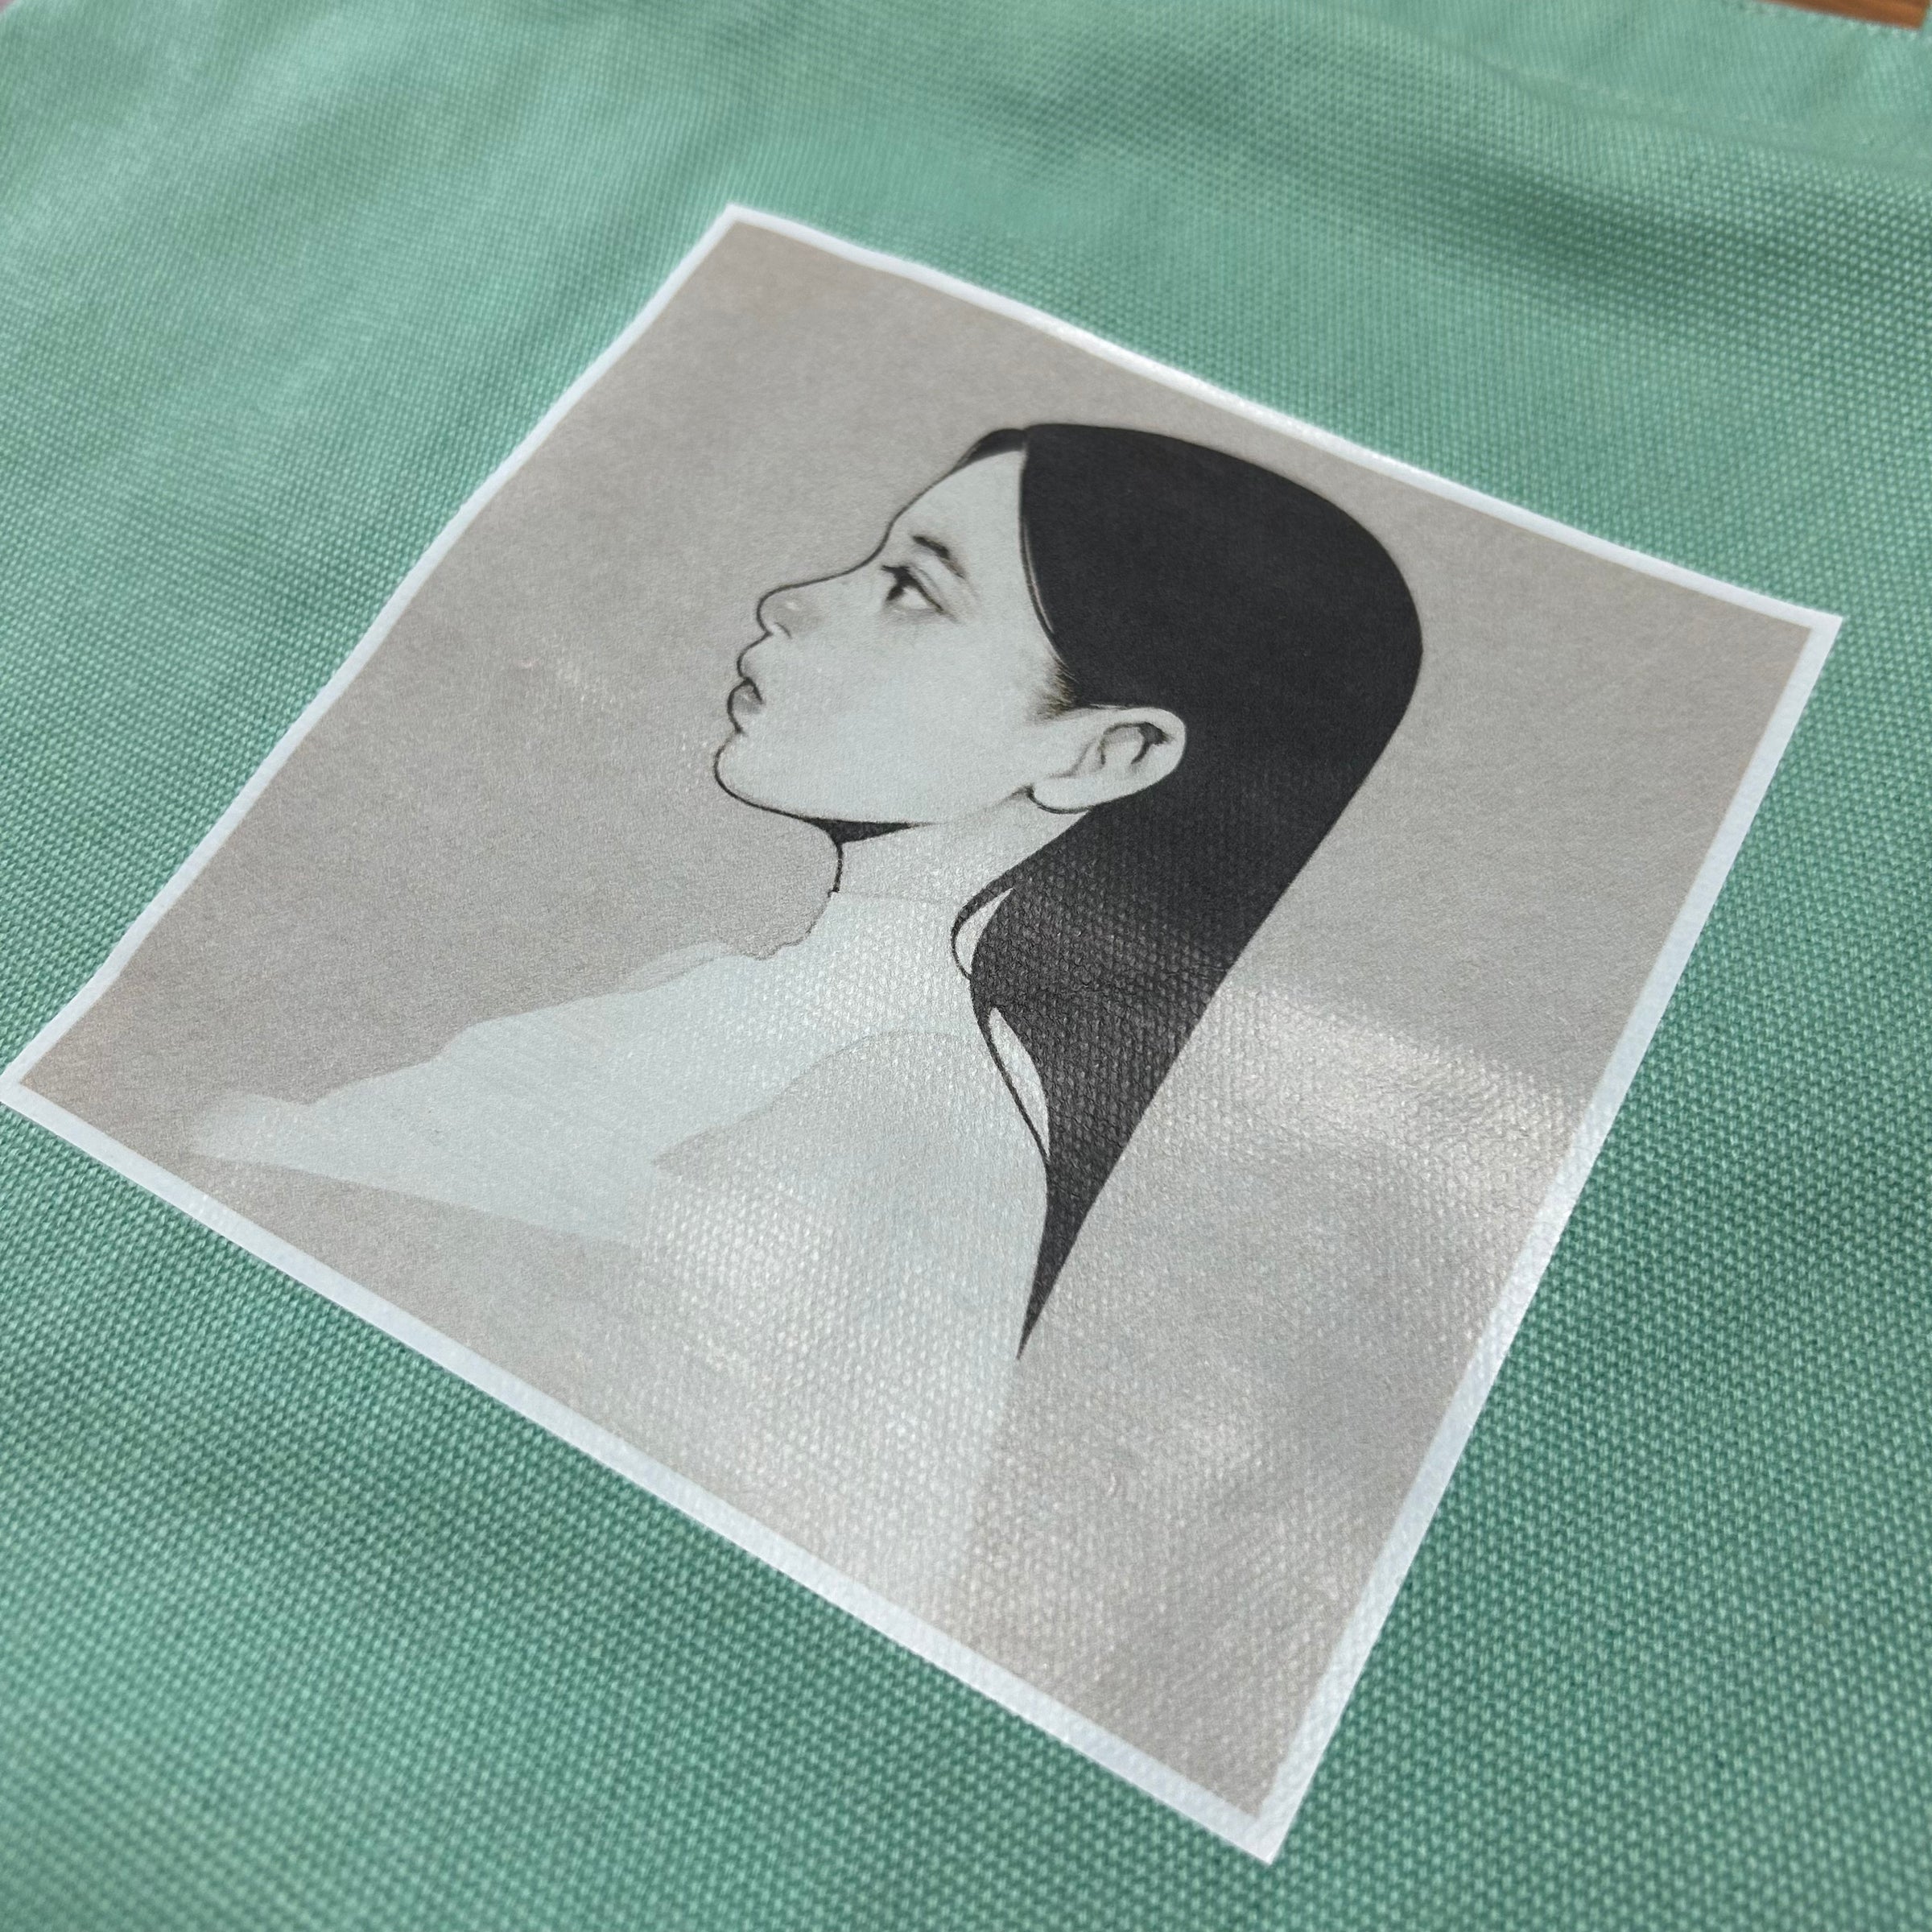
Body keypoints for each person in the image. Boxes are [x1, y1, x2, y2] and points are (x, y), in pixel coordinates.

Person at [192, 424, 1422, 1618]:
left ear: (1104, 754)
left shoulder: (909, 1103)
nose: (791, 602)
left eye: (913, 590)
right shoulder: (734, 994)